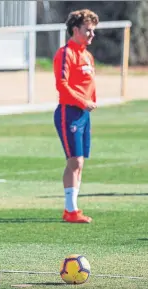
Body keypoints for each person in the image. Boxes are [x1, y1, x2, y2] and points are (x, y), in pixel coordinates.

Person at [53, 9, 99, 223]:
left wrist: (93, 102)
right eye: (88, 30)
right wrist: (83, 102)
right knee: (75, 161)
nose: (92, 35)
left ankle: (72, 208)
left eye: (93, 31)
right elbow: (61, 85)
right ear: (75, 30)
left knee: (80, 163)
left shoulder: (87, 55)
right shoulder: (65, 53)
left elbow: (90, 84)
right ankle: (70, 211)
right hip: (68, 112)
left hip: (83, 115)